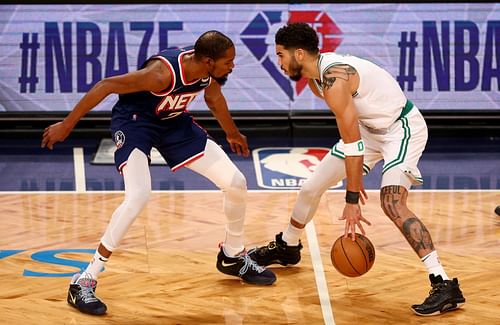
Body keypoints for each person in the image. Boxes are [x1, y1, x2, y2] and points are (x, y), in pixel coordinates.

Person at [41, 30, 276, 316]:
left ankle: (233, 255)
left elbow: (214, 98)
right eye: (228, 61)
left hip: (173, 123)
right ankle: (85, 279)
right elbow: (105, 86)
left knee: (236, 182)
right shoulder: (160, 75)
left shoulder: (207, 70)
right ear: (208, 61)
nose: (233, 66)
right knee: (139, 195)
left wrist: (232, 133)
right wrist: (66, 125)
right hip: (136, 124)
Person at [248, 23, 465, 316]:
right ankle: (288, 246)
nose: (280, 63)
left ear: (299, 53)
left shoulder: (334, 79)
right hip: (369, 131)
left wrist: (352, 199)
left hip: (400, 130)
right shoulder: (317, 80)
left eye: (281, 55)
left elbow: (352, 144)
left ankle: (443, 283)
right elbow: (354, 139)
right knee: (312, 187)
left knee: (391, 202)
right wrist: (353, 175)